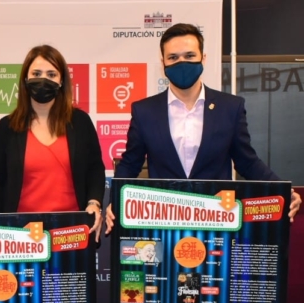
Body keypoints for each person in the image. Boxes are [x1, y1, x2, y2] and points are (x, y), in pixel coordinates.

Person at [105, 23, 301, 234]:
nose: (182, 63)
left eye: (189, 56)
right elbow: (131, 163)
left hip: (216, 219)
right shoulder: (144, 111)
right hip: (163, 221)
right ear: (163, 63)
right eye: (173, 57)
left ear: (203, 58)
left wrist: (283, 189)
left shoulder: (230, 107)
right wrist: (113, 202)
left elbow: (247, 161)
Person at [0, 45, 105, 241]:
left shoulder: (80, 122)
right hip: (21, 235)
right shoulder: (8, 127)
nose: (44, 80)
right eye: (37, 73)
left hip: (72, 233)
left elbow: (95, 170)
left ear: (61, 81)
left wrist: (94, 203)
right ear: (25, 79)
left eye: (51, 74)